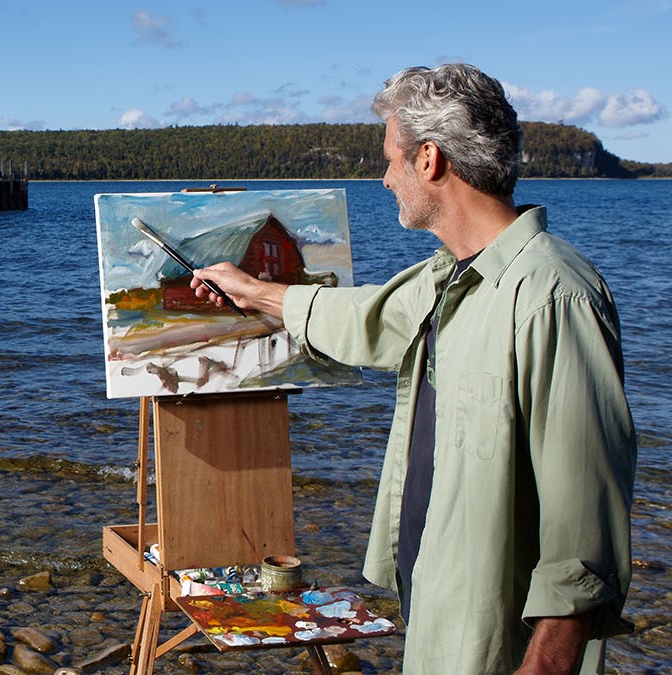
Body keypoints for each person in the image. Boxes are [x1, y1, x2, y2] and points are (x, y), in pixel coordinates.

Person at [191, 63, 637, 675]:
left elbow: (584, 514)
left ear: (428, 159)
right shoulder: (447, 277)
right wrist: (257, 293)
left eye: (390, 159)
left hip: (497, 638)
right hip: (434, 604)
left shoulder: (551, 295)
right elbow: (364, 319)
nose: (383, 179)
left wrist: (549, 663)